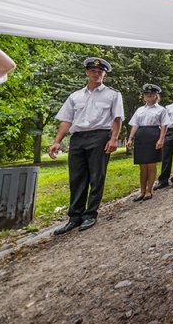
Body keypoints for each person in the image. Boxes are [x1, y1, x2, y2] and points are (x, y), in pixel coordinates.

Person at [49, 57, 124, 234]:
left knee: (96, 176)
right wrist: (57, 141)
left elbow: (117, 118)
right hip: (78, 138)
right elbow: (66, 120)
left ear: (104, 75)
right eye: (93, 71)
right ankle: (74, 217)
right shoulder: (75, 96)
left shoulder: (113, 95)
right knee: (76, 177)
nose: (96, 74)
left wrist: (114, 139)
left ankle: (90, 214)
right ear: (87, 72)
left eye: (100, 72)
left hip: (100, 136)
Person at [126, 84, 170, 201]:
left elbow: (164, 125)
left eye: (151, 93)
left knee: (151, 165)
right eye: (147, 93)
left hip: (153, 135)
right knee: (142, 166)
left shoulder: (161, 110)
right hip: (141, 137)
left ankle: (149, 190)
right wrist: (130, 138)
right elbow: (135, 124)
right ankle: (142, 191)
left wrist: (161, 139)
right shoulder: (140, 110)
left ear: (156, 96)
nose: (149, 95)